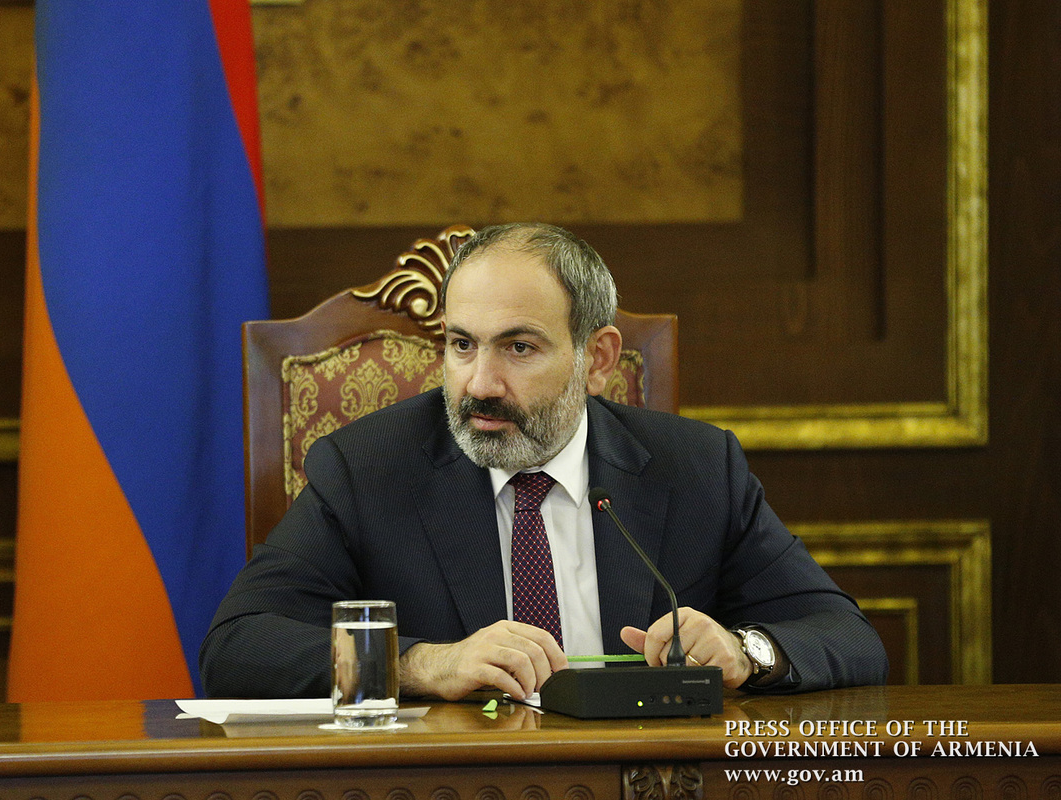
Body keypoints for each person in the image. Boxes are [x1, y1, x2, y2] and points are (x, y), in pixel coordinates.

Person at [200, 223, 888, 700]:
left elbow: (846, 636)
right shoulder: (367, 468)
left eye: (519, 348)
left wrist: (744, 652)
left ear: (598, 359)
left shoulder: (697, 467)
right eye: (462, 345)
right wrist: (422, 664)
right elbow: (237, 646)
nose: (479, 384)